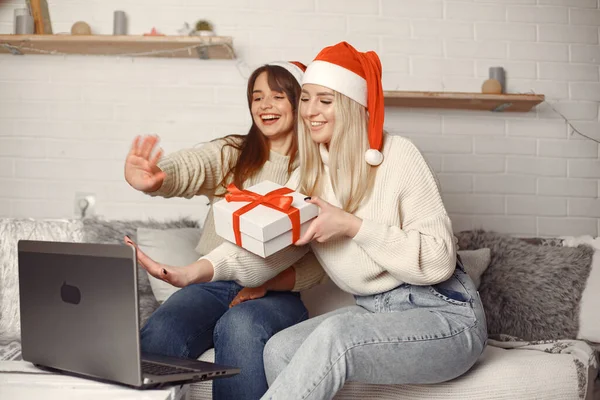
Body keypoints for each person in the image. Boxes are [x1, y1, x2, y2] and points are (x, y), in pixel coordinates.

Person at [128, 42, 487, 400]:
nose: (310, 111)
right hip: (373, 312)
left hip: (444, 312)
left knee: (336, 337)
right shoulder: (310, 179)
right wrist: (194, 272)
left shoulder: (399, 156)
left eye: (325, 101)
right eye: (307, 99)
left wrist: (352, 226)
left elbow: (439, 260)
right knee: (279, 349)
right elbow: (268, 249)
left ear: (350, 106)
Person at [123, 61, 325, 400]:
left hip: (277, 295)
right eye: (257, 97)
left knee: (239, 326)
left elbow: (320, 261)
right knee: (163, 328)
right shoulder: (234, 153)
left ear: (299, 102)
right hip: (212, 284)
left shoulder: (319, 170)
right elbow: (195, 164)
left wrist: (267, 284)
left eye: (277, 96)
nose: (265, 105)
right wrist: (159, 176)